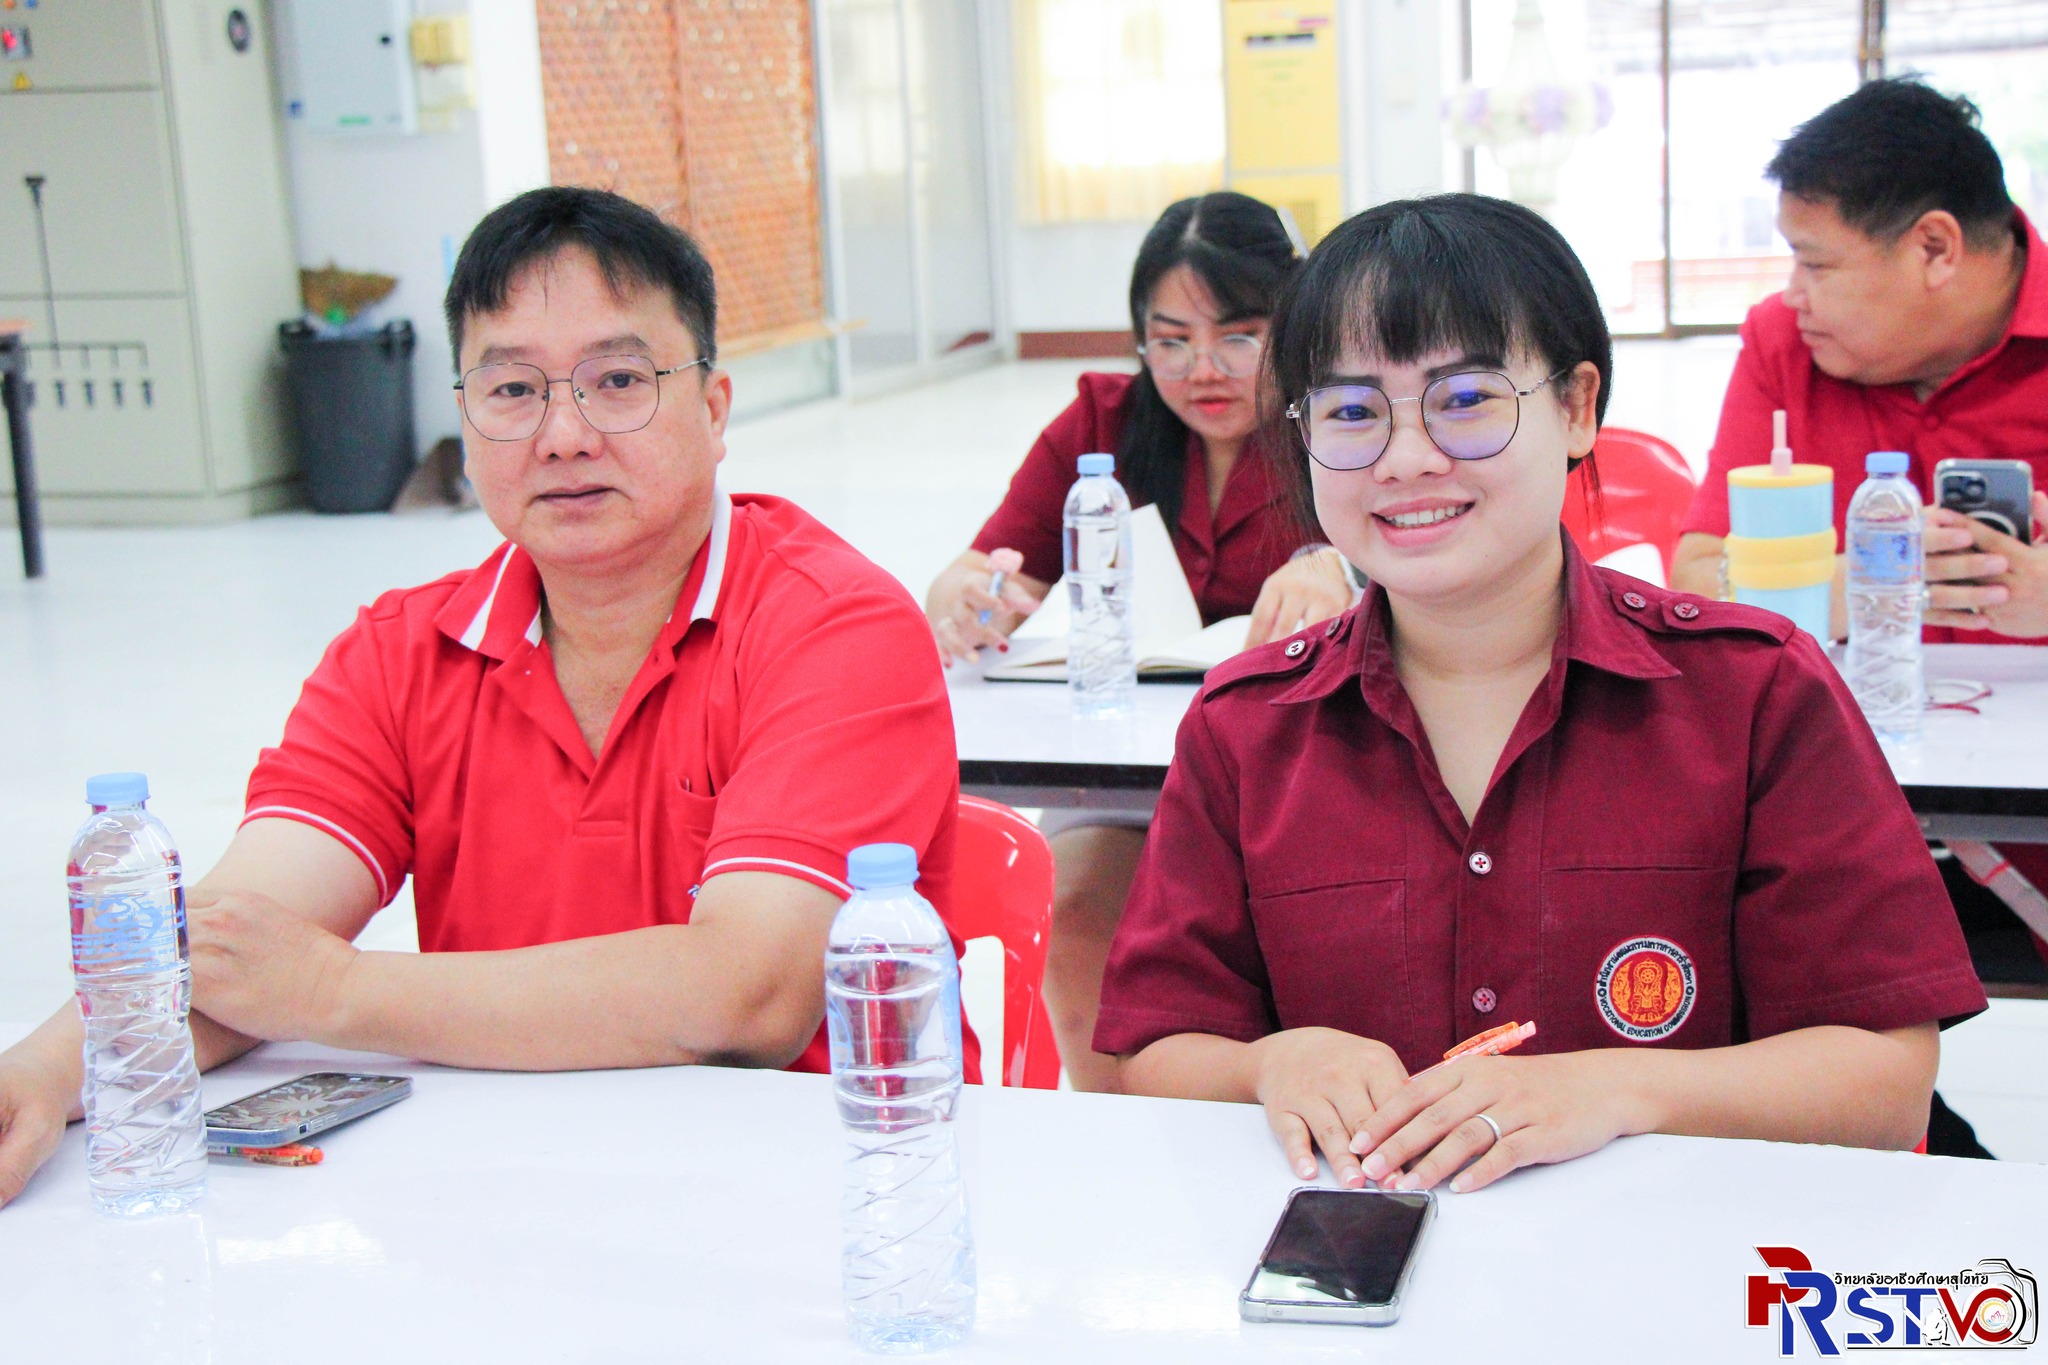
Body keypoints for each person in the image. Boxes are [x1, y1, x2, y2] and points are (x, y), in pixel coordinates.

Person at [0, 187, 968, 1209]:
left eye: (618, 380)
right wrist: (42, 1076)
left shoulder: (834, 626)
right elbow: (243, 945)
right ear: (464, 421)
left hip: (814, 1200)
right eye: (511, 390)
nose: (563, 434)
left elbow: (748, 993)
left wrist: (334, 989)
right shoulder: (401, 652)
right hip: (501, 1192)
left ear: (715, 408)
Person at [1095, 194, 1987, 1194]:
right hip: (1364, 1258)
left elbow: (1884, 1083)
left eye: (1465, 399)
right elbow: (1155, 1051)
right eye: (1350, 412)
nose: (1405, 458)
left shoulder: (1754, 690)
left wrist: (1615, 1090)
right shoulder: (1244, 725)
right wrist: (1271, 1063)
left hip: (1678, 1250)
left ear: (1575, 408)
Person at [1666, 79, 2048, 1151]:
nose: (1792, 295)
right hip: (1828, 794)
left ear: (1934, 249)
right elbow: (1695, 576)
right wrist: (1862, 582)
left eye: (1817, 264)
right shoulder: (1781, 346)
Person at [923, 192, 1351, 1091]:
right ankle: (1121, 1132)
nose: (1203, 369)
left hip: (1307, 767)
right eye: (1169, 340)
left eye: (1240, 336)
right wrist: (966, 594)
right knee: (1078, 909)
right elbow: (989, 566)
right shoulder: (1103, 423)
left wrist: (1341, 568)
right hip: (1125, 772)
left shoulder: (1346, 420)